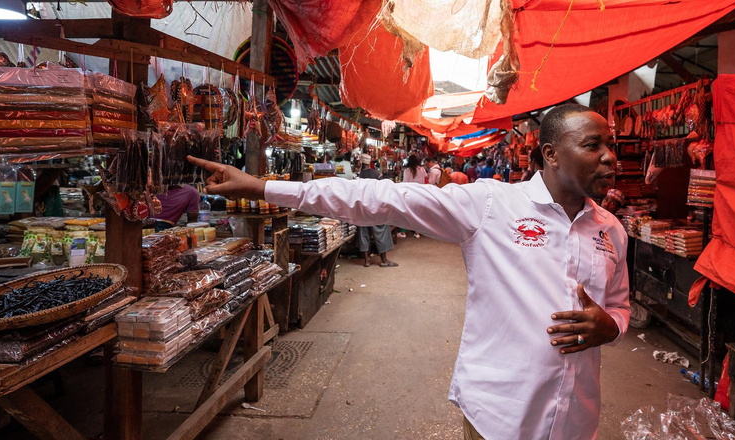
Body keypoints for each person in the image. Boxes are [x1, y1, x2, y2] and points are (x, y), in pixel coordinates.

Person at [188, 103, 629, 440]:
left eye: (609, 145)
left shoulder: (611, 231)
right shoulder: (493, 205)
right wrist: (261, 186)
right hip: (501, 416)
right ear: (551, 154)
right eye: (593, 145)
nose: (609, 157)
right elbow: (379, 198)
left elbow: (619, 307)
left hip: (577, 419)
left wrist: (610, 326)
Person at [357, 154, 398, 267]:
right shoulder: (376, 174)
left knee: (363, 233)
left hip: (361, 208)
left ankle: (366, 260)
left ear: (360, 163)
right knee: (381, 231)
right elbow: (383, 190)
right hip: (375, 207)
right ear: (370, 162)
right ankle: (384, 260)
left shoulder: (358, 176)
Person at [400, 154, 425, 238]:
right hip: (420, 193)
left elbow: (404, 183)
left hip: (409, 194)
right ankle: (417, 232)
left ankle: (403, 233)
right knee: (418, 213)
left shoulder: (407, 171)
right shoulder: (422, 169)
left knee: (407, 212)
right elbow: (425, 180)